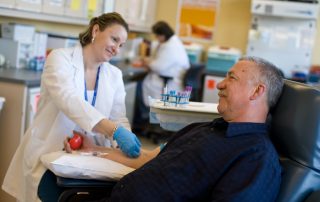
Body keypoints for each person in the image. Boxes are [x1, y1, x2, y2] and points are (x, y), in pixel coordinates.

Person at [66, 56, 284, 201]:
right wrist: (93, 149)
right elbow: (145, 159)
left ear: (256, 92)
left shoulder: (257, 157)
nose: (220, 84)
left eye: (232, 78)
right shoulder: (203, 128)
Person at [2, 12, 141, 202]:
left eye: (121, 45)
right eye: (114, 39)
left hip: (91, 156)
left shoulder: (114, 75)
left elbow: (118, 117)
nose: (117, 49)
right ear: (96, 30)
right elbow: (68, 99)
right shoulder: (60, 58)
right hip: (50, 149)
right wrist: (113, 130)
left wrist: (123, 141)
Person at [133, 21, 190, 132]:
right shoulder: (172, 42)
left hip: (168, 83)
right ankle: (145, 121)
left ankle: (143, 121)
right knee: (139, 83)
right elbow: (160, 62)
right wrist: (150, 62)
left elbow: (158, 67)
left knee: (137, 86)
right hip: (169, 79)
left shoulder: (170, 46)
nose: (157, 38)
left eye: (157, 35)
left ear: (162, 35)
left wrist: (146, 63)